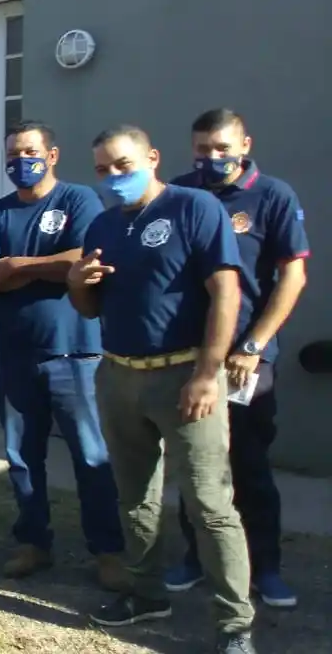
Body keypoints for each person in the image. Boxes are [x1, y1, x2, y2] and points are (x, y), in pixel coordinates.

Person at [69, 125, 256, 654]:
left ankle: (234, 626)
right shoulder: (104, 224)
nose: (112, 177)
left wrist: (205, 373)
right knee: (135, 497)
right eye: (103, 169)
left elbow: (226, 293)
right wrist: (78, 283)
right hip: (119, 373)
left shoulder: (194, 208)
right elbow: (90, 307)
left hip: (184, 374)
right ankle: (147, 593)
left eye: (122, 166)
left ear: (151, 158)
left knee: (209, 504)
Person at [0, 122, 126, 590]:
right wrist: (52, 268)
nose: (22, 161)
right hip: (15, 353)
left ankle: (108, 551)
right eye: (14, 154)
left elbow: (84, 260)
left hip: (76, 353)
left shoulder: (78, 201)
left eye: (31, 152)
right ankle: (33, 542)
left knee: (90, 455)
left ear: (52, 155)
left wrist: (16, 266)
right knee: (21, 456)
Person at [165, 109, 309, 608]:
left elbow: (292, 277)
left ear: (244, 144)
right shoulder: (182, 194)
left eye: (222, 148)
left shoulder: (272, 196)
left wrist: (252, 346)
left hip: (246, 363)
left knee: (248, 467)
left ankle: (265, 568)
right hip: (189, 356)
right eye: (203, 149)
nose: (213, 158)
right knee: (195, 465)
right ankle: (195, 558)